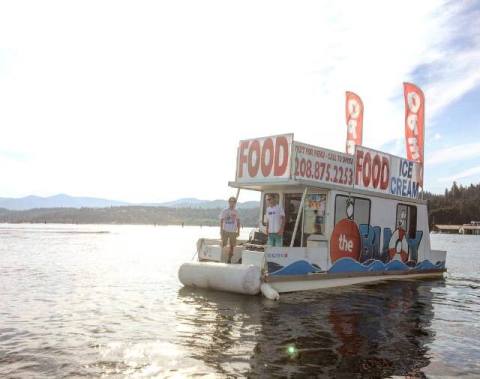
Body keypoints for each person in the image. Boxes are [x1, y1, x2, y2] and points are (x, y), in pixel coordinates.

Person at [219, 196, 240, 263]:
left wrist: (238, 231)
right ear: (229, 202)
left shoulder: (236, 211)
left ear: (235, 203)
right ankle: (221, 258)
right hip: (225, 230)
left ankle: (229, 260)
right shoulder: (225, 211)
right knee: (223, 245)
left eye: (233, 201)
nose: (232, 203)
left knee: (232, 246)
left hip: (233, 231)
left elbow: (238, 222)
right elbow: (221, 221)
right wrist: (221, 230)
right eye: (231, 201)